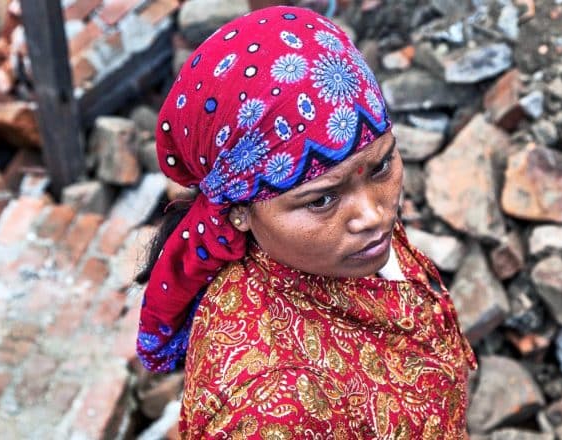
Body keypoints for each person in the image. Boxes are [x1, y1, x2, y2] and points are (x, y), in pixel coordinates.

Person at [134, 6, 476, 438]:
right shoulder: (267, 408)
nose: (375, 214)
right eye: (321, 200)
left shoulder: (344, 244)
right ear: (238, 211)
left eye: (383, 166)